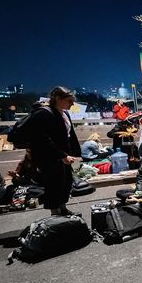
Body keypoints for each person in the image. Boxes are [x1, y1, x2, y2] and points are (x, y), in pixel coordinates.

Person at [26, 86, 81, 216]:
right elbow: (43, 140)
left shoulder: (65, 113)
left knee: (66, 184)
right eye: (69, 101)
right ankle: (55, 215)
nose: (72, 104)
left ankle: (63, 209)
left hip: (63, 156)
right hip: (50, 158)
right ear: (57, 98)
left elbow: (69, 135)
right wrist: (61, 155)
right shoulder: (44, 113)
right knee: (53, 186)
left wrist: (73, 153)